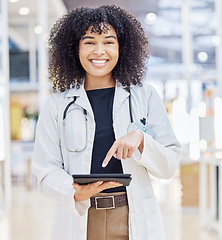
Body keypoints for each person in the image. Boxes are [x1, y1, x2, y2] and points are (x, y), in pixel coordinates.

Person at [32, 4, 182, 240]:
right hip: (80, 215)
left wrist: (142, 140)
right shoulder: (57, 105)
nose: (99, 51)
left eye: (109, 42)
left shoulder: (145, 96)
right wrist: (75, 193)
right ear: (75, 49)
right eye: (89, 42)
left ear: (122, 47)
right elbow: (44, 169)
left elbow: (169, 165)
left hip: (131, 217)